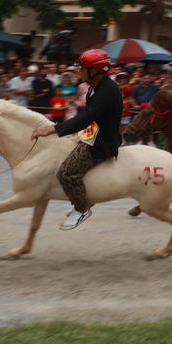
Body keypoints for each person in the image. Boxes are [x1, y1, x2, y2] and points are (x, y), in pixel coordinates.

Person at [31, 48, 124, 230]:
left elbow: (87, 116)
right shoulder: (94, 87)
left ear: (95, 70)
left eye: (82, 68)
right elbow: (88, 119)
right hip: (91, 133)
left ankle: (82, 208)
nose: (77, 71)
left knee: (66, 172)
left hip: (102, 141)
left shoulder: (107, 90)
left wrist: (53, 129)